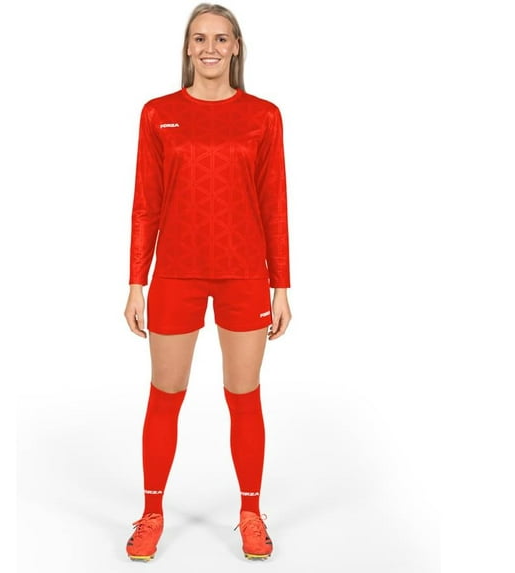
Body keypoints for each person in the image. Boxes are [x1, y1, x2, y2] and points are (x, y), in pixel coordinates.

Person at [123, 3, 292, 562]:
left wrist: (281, 285)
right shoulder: (158, 114)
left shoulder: (263, 116)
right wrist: (136, 282)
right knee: (165, 395)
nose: (210, 48)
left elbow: (274, 204)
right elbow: (146, 203)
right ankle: (151, 513)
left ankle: (250, 514)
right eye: (200, 38)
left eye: (221, 38)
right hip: (176, 274)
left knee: (244, 397)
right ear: (188, 48)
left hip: (245, 275)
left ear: (236, 46)